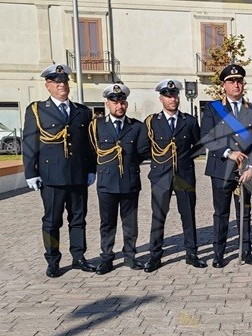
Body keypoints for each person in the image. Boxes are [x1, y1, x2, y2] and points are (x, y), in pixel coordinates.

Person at [22, 64, 96, 278]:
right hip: (51, 177)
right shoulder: (37, 110)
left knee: (78, 219)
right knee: (52, 221)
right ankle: (53, 260)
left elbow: (88, 145)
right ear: (48, 85)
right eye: (56, 82)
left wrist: (91, 169)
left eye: (64, 82)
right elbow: (29, 143)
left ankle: (79, 257)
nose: (61, 85)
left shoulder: (82, 112)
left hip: (78, 175)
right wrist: (30, 172)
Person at [201, 64, 252, 268]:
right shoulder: (213, 109)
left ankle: (246, 251)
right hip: (221, 169)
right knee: (221, 214)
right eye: (231, 81)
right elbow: (207, 137)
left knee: (244, 213)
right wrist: (229, 153)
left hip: (245, 171)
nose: (236, 85)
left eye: (239, 81)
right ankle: (218, 253)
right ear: (224, 85)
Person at [143, 79, 205, 272]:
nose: (172, 99)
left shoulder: (189, 121)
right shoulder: (153, 122)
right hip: (161, 176)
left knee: (188, 215)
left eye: (175, 95)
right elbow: (146, 148)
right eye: (168, 96)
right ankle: (155, 255)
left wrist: (186, 158)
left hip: (184, 175)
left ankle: (192, 253)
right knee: (158, 216)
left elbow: (200, 145)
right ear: (161, 98)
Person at [89, 83, 150, 274]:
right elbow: (92, 152)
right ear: (107, 104)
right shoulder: (97, 126)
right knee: (107, 222)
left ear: (126, 104)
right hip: (106, 182)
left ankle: (130, 256)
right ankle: (107, 258)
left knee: (130, 222)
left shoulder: (137, 127)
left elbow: (142, 152)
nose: (119, 106)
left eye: (122, 102)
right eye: (115, 102)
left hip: (129, 181)